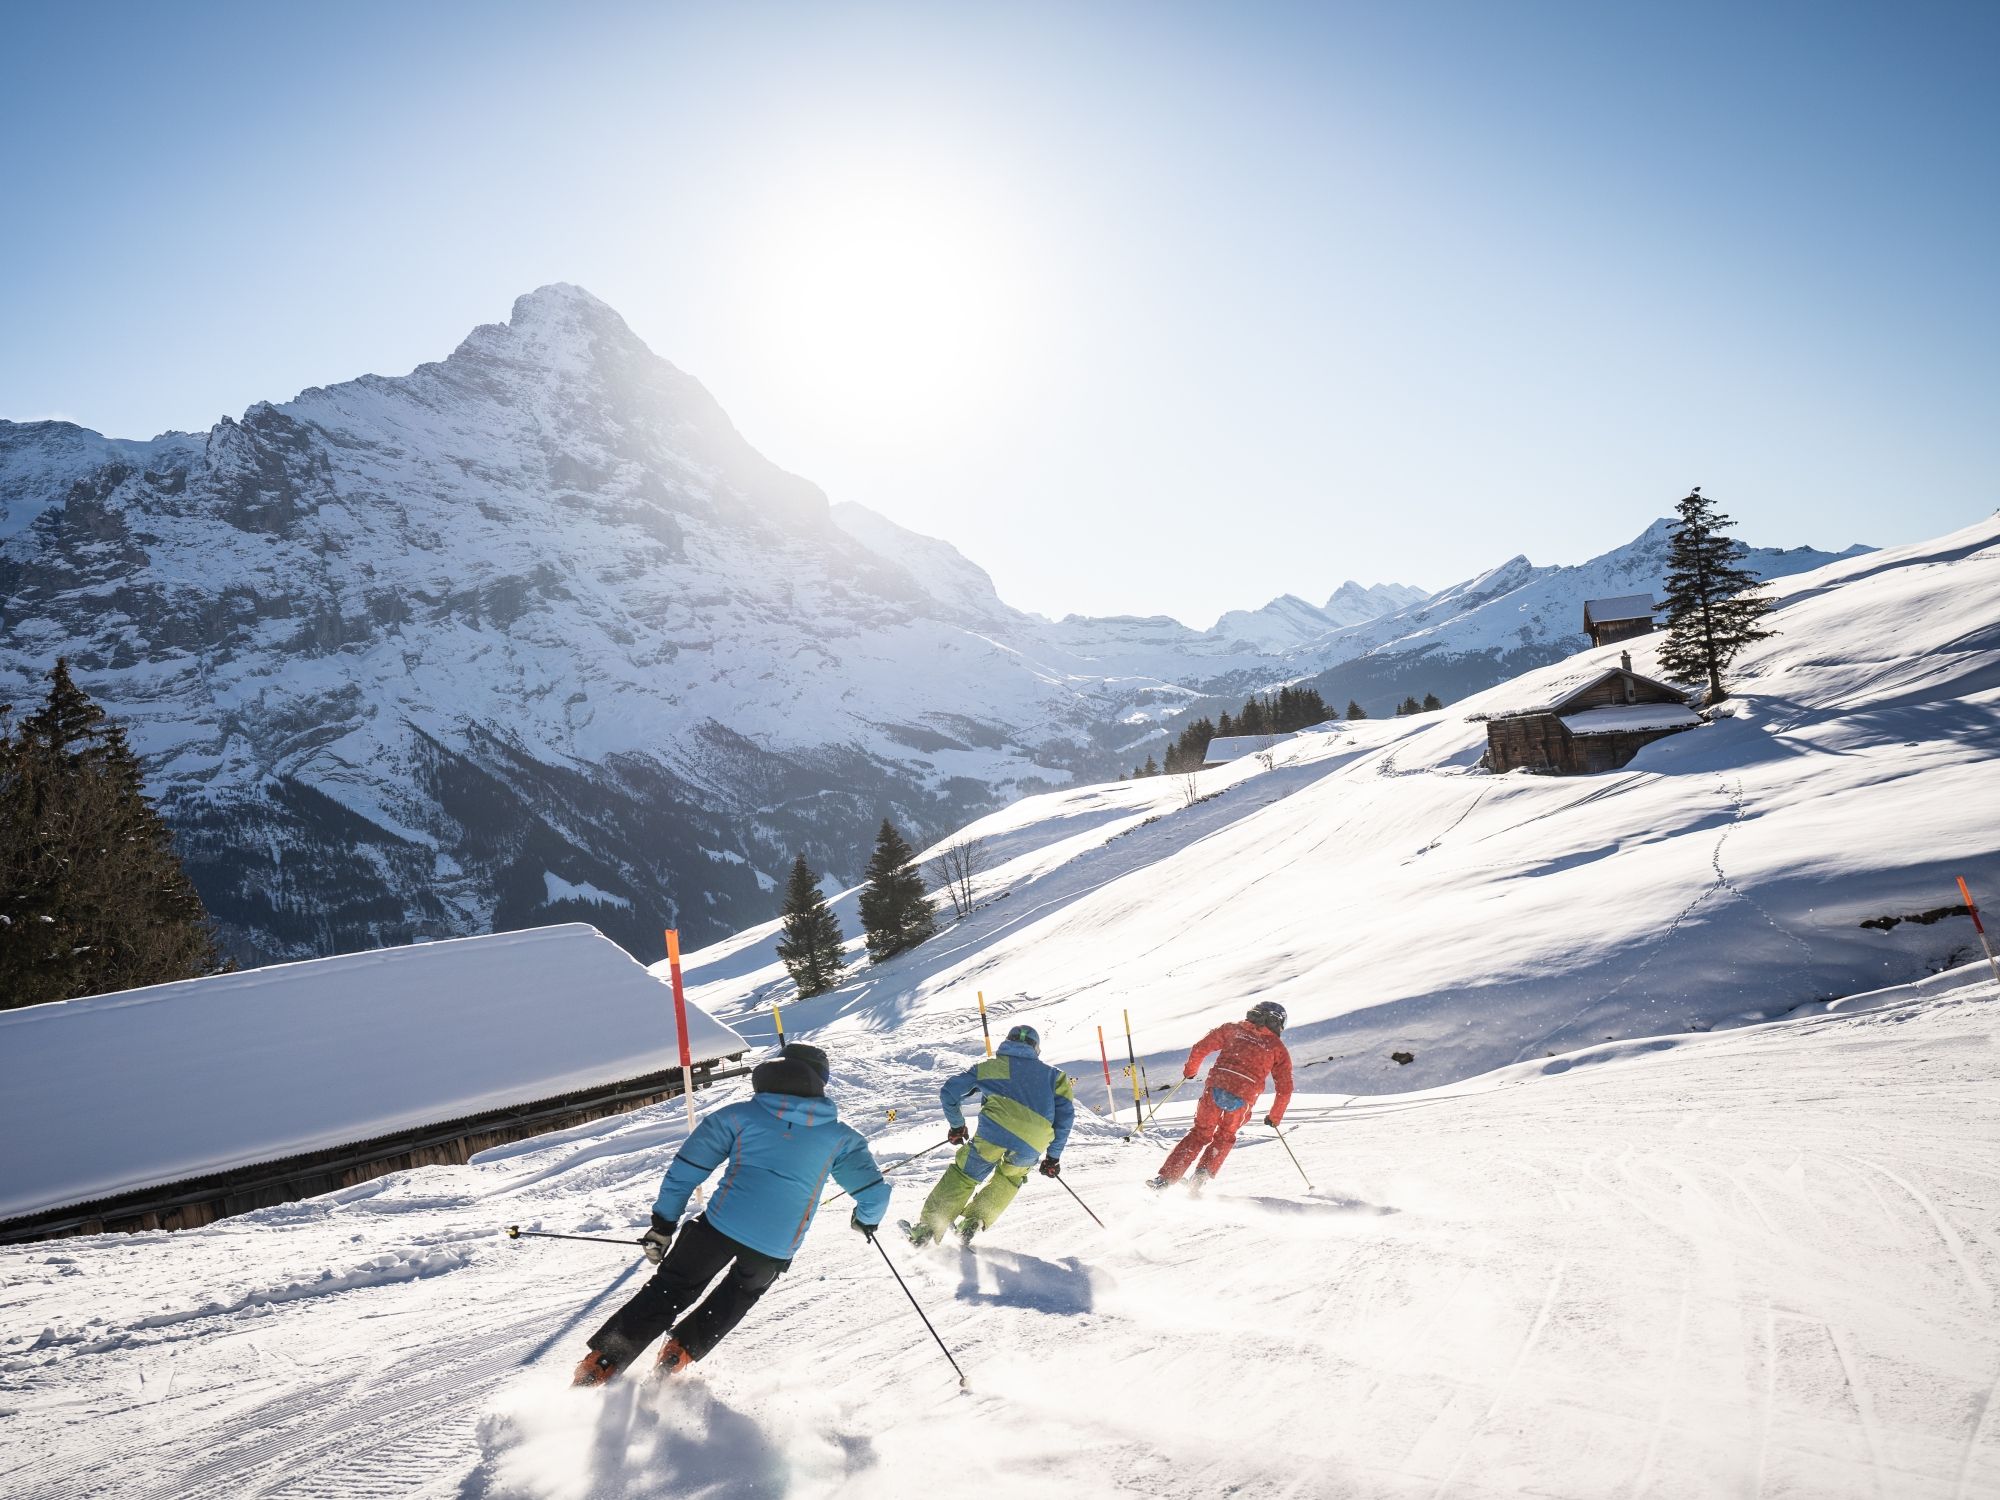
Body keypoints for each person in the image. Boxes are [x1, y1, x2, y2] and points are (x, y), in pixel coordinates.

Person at [572, 1042, 889, 1386]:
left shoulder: (738, 1116)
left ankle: (601, 1363)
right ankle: (679, 1352)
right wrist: (865, 1221)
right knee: (735, 1298)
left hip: (719, 1227)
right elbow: (874, 1193)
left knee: (670, 1290)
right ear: (819, 1083)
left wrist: (663, 1225)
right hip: (775, 1247)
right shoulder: (840, 1138)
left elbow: (685, 1172)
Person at [905, 1023, 1075, 1246]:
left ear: (1007, 1041)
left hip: (995, 1133)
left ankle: (928, 1229)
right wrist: (1053, 1157)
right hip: (1033, 1141)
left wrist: (957, 1126)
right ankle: (973, 1222)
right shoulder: (1055, 1077)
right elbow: (1064, 1120)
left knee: (965, 1175)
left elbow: (949, 1092)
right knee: (1010, 1178)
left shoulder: (991, 1068)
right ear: (1036, 1049)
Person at [1150, 1001, 1293, 1190]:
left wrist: (1190, 1071)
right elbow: (1285, 1088)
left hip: (1217, 1086)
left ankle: (1166, 1179)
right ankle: (1202, 1174)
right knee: (1225, 1136)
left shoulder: (1232, 1029)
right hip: (1244, 1096)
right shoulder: (1277, 1048)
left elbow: (1200, 1048)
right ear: (1279, 1023)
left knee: (1199, 1134)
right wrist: (1275, 1117)